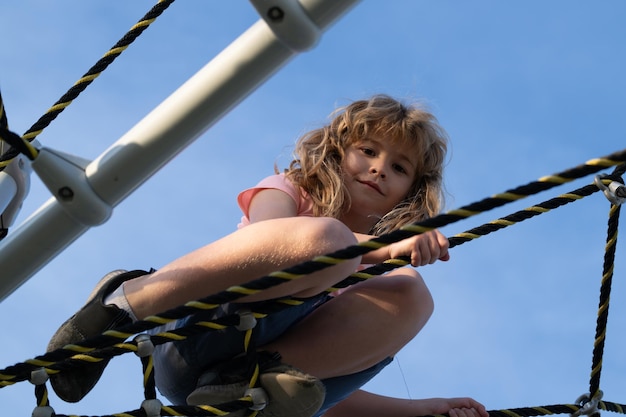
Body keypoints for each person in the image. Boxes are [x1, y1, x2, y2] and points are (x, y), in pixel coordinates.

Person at [47, 94, 489, 417]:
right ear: (337, 152)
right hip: (196, 337)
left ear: (412, 190)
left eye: (399, 167)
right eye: (368, 151)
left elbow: (322, 393)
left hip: (241, 394)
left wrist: (426, 409)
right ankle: (120, 305)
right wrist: (379, 249)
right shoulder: (289, 191)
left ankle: (247, 383)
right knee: (330, 243)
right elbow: (271, 239)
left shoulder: (372, 284)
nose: (379, 168)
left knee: (411, 294)